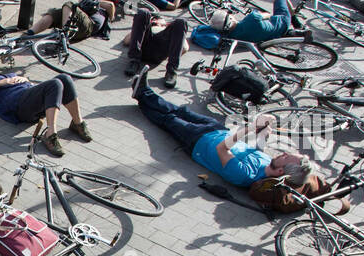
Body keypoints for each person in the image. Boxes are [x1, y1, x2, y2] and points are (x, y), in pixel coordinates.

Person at [130, 66, 315, 188]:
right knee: (181, 111)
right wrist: (264, 133)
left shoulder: (245, 175)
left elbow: (222, 148)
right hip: (216, 130)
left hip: (198, 143)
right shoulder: (268, 162)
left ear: (281, 171)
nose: (283, 153)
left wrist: (251, 127)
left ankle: (142, 94)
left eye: (285, 157)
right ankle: (143, 93)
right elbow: (255, 150)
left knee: (168, 119)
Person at [0, 60, 92, 157]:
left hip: (30, 98)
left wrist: (26, 80)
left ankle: (77, 123)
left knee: (65, 78)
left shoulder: (8, 75)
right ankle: (50, 134)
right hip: (18, 105)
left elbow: (33, 88)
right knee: (55, 84)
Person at [123, 8, 189, 86]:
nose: (156, 20)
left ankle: (171, 72)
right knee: (142, 12)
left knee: (181, 22)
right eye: (153, 19)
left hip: (161, 49)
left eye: (158, 19)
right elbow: (127, 41)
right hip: (144, 47)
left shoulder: (169, 29)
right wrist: (143, 26)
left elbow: (185, 48)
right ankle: (133, 62)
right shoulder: (146, 26)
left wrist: (170, 52)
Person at [209, 0, 297, 44]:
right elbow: (268, 14)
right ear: (230, 19)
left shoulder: (231, 36)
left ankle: (292, 32)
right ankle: (296, 22)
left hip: (270, 36)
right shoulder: (252, 18)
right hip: (283, 22)